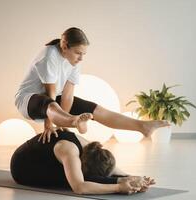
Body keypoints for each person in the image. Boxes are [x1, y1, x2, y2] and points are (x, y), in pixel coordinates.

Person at [14, 27, 170, 143]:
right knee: (50, 103)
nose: (81, 58)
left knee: (95, 109)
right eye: (78, 52)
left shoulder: (74, 61)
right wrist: (49, 126)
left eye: (84, 53)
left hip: (53, 101)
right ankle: (75, 121)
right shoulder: (49, 56)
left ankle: (141, 126)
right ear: (64, 46)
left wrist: (64, 124)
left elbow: (67, 95)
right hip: (29, 100)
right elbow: (51, 94)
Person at [10, 130, 156, 195]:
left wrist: (130, 176)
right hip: (22, 167)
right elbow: (80, 188)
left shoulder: (91, 148)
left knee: (80, 175)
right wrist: (119, 187)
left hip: (46, 158)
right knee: (78, 180)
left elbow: (110, 167)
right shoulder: (69, 151)